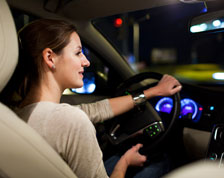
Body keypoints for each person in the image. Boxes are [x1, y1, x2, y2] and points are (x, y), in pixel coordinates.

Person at [15, 19, 182, 178]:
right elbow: (78, 117)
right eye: (78, 53)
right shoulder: (72, 121)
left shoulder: (15, 113)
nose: (86, 62)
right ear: (50, 58)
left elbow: (95, 110)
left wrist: (152, 92)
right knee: (161, 162)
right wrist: (125, 162)